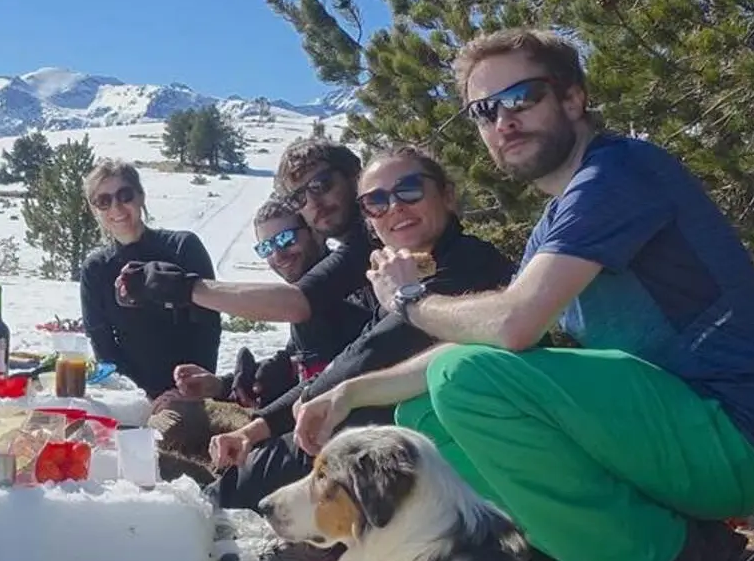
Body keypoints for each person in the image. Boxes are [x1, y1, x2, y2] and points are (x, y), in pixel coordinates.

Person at [295, 28, 754, 561]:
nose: (503, 121)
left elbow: (513, 325)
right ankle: (610, 547)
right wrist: (349, 393)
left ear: (573, 98)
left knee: (463, 383)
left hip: (737, 437)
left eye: (521, 97)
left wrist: (409, 300)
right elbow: (496, 339)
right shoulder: (558, 219)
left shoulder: (618, 173)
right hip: (673, 435)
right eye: (484, 110)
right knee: (424, 416)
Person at [207, 145, 515, 511]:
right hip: (404, 452)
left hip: (463, 474)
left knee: (251, 479)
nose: (395, 207)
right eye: (377, 201)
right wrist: (254, 428)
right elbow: (354, 354)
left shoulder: (468, 263)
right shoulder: (400, 272)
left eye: (410, 190)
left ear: (447, 194)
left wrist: (307, 405)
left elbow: (375, 351)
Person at [118, 137, 377, 364]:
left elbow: (297, 303)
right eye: (299, 198)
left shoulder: (371, 239)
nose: (314, 202)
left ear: (354, 175)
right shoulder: (355, 249)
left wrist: (184, 288)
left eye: (321, 185)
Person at [78, 160, 221, 456]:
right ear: (95, 211)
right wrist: (138, 396)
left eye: (125, 195)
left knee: (156, 447)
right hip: (130, 396)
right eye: (103, 201)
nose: (116, 208)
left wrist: (188, 389)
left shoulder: (183, 248)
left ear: (141, 196)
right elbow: (102, 343)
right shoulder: (96, 269)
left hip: (184, 394)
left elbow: (207, 328)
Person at [170, 194, 329, 410]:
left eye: (285, 239)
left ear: (313, 233)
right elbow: (298, 362)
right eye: (266, 247)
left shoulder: (344, 283)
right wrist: (221, 386)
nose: (278, 254)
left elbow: (348, 364)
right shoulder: (302, 293)